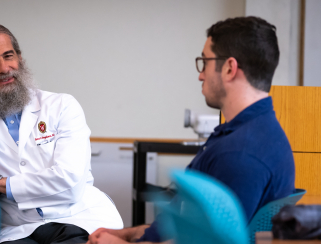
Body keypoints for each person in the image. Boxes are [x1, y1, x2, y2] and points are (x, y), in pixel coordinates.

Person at [87, 16, 295, 244]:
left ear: (229, 68)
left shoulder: (242, 154)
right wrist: (125, 235)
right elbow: (189, 228)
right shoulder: (250, 135)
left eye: (204, 62)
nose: (200, 74)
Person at [0, 23, 123, 243]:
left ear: (20, 58)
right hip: (18, 229)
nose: (4, 68)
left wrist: (1, 185)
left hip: (76, 219)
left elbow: (70, 181)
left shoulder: (62, 106)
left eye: (8, 56)